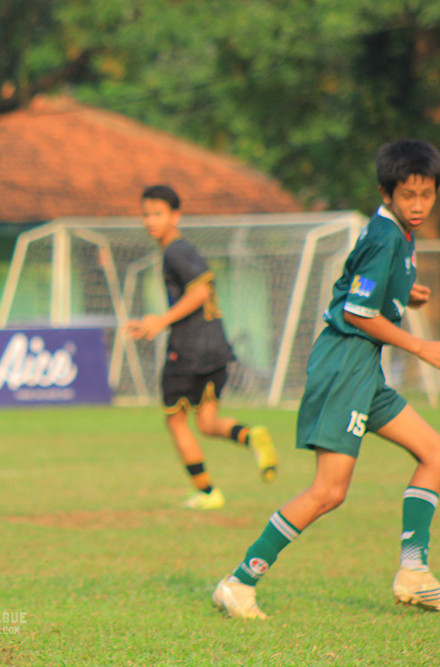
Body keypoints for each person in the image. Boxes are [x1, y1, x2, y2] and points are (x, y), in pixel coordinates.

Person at [212, 138, 440, 620]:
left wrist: (404, 294)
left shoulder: (399, 233)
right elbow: (356, 312)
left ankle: (414, 572)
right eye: (408, 195)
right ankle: (239, 582)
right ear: (386, 193)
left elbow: (360, 289)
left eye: (427, 194)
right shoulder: (385, 236)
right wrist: (421, 346)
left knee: (435, 454)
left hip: (363, 370)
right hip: (344, 366)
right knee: (329, 492)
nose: (419, 205)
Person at [125, 184, 278, 509]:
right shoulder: (183, 250)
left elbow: (200, 292)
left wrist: (161, 321)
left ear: (176, 216)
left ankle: (208, 493)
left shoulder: (176, 251)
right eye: (146, 215)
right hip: (216, 347)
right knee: (207, 422)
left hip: (188, 349)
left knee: (176, 421)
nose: (150, 221)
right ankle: (251, 435)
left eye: (157, 214)